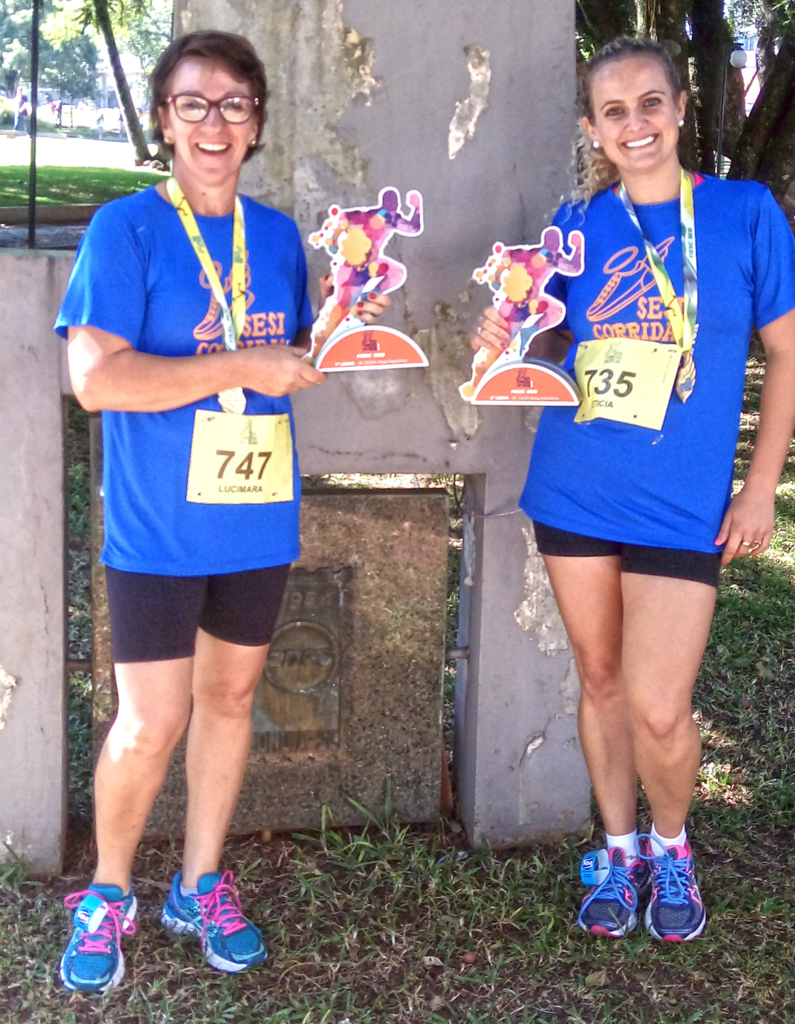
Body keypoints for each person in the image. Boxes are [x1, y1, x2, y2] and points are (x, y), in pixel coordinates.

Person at [54, 31, 389, 994]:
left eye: (234, 104)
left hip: (253, 516)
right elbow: (97, 380)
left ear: (256, 127)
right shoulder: (126, 229)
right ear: (163, 121)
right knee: (149, 723)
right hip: (158, 525)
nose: (214, 121)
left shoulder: (280, 237)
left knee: (232, 701)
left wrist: (351, 322)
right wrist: (243, 367)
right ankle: (109, 892)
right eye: (193, 103)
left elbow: (293, 351)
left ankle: (201, 882)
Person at [472, 36, 795, 943]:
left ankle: (672, 842)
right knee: (602, 676)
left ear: (681, 108)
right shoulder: (573, 227)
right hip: (576, 488)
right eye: (615, 111)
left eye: (650, 104)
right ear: (593, 127)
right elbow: (540, 344)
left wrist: (762, 488)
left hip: (684, 503)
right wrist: (502, 337)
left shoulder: (744, 212)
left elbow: (787, 354)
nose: (636, 124)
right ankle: (617, 849)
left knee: (661, 707)